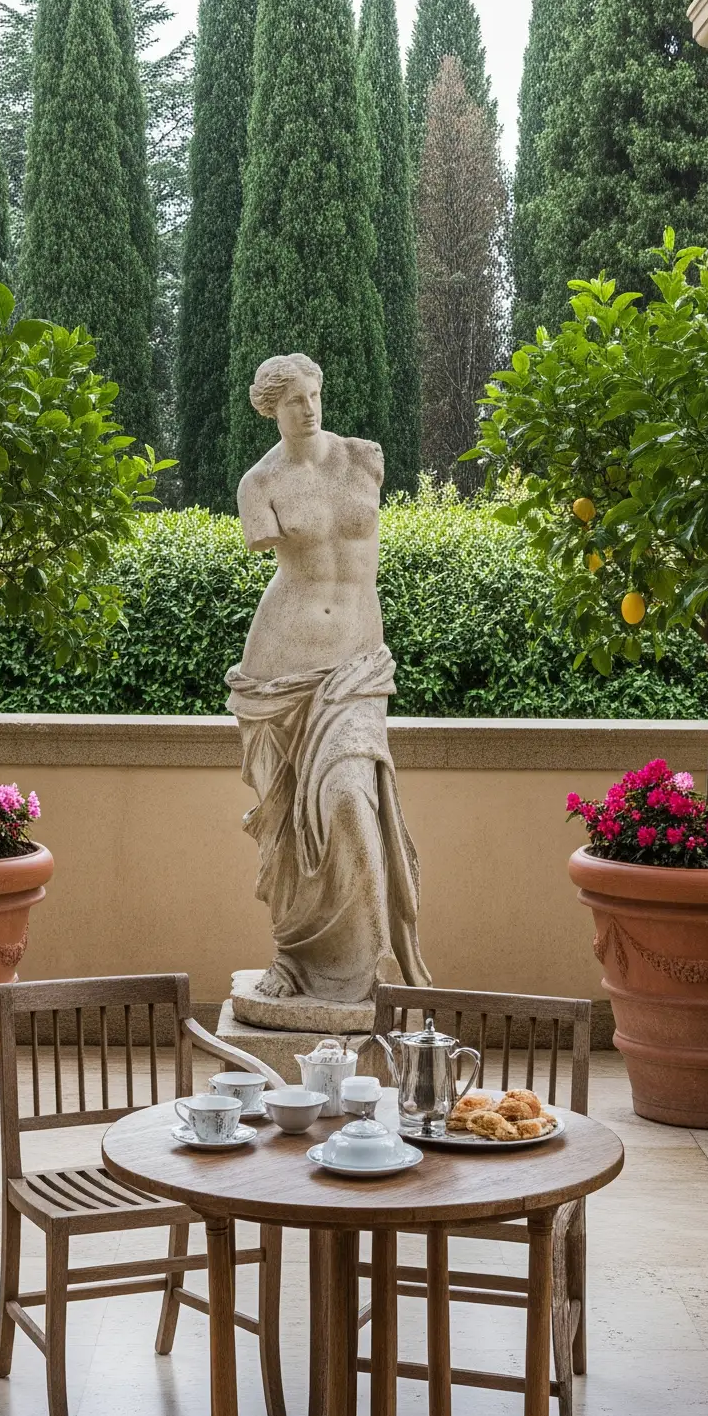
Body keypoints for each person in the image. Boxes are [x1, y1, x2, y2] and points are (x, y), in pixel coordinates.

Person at [227, 354, 428, 1007]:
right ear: (271, 410)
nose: (309, 409)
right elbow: (273, 555)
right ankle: (294, 956)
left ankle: (370, 969)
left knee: (348, 799)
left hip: (356, 667)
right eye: (293, 402)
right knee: (291, 829)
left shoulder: (365, 457)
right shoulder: (259, 484)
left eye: (314, 395)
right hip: (280, 668)